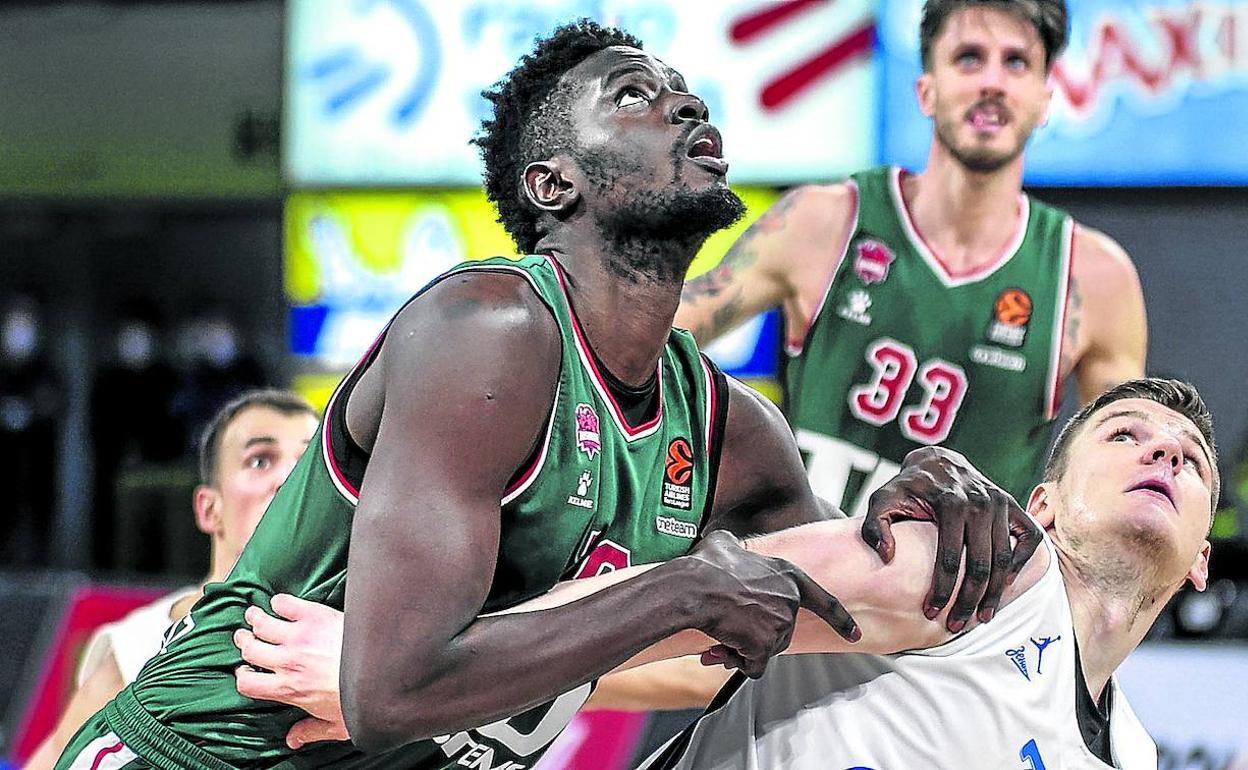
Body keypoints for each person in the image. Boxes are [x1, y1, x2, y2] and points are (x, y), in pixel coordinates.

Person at [56, 21, 1036, 770]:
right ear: (555, 181)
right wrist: (682, 587)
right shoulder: (487, 328)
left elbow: (841, 621)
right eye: (636, 97)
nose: (689, 107)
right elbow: (394, 685)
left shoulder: (735, 432)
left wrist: (932, 495)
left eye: (689, 94)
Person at [581, 0, 1152, 714]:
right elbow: (641, 333)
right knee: (557, 665)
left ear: (1045, 96)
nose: (992, 83)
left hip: (943, 648)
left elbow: (1116, 493)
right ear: (928, 88)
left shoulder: (1090, 279)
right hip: (790, 606)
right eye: (968, 58)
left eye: (1017, 64)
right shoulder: (825, 222)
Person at [516, 378, 1215, 769]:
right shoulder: (981, 568)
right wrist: (449, 660)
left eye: (1192, 458)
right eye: (1126, 434)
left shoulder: (1132, 754)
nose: (1164, 453)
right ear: (1044, 506)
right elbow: (659, 608)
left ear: (1202, 560)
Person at [25, 390, 318, 770]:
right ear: (209, 509)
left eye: (306, 464)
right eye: (260, 460)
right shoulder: (139, 644)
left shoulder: (351, 634)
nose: (288, 480)